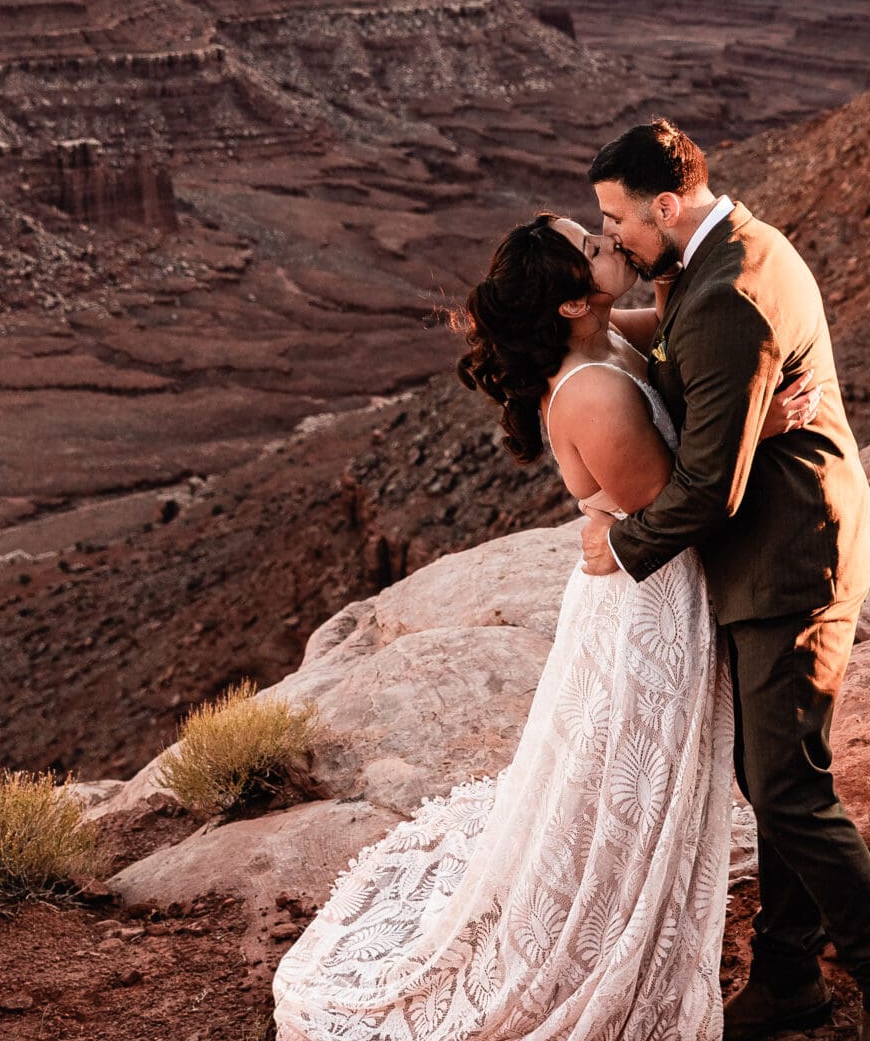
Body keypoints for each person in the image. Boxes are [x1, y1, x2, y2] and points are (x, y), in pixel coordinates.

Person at [271, 208, 817, 1041]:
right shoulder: (592, 388)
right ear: (570, 305)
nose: (611, 247)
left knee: (625, 786)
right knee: (628, 784)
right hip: (648, 602)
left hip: (647, 578)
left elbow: (683, 327)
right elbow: (671, 509)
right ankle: (602, 929)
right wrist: (762, 423)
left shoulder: (608, 336)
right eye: (595, 248)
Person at [587, 120, 870, 1041]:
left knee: (787, 789)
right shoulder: (730, 247)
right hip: (779, 552)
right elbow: (688, 349)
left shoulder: (728, 289)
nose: (612, 235)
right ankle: (787, 980)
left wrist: (620, 548)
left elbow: (706, 484)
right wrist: (589, 324)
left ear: (665, 203)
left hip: (792, 563)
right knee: (771, 774)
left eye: (618, 218)